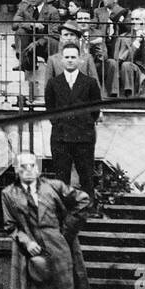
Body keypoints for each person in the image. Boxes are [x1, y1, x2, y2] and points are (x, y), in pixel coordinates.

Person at [1, 151, 98, 289]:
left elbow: (83, 200)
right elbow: (10, 226)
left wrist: (65, 231)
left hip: (59, 250)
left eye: (32, 166)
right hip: (32, 257)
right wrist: (27, 242)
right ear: (16, 170)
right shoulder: (8, 194)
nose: (28, 170)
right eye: (23, 167)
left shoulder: (54, 187)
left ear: (37, 168)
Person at [43, 43, 102, 205]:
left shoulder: (90, 83)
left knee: (86, 176)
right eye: (67, 57)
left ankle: (88, 211)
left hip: (84, 138)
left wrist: (85, 122)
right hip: (61, 138)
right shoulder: (53, 83)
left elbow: (95, 109)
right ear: (62, 60)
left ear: (80, 60)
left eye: (73, 57)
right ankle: (63, 211)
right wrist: (59, 123)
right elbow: (50, 109)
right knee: (61, 178)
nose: (70, 60)